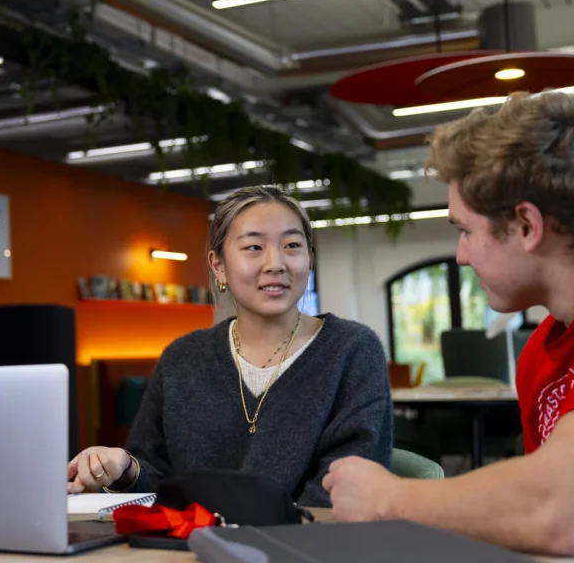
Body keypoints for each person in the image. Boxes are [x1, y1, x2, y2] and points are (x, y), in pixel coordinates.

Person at [323, 92, 574, 554]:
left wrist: (388, 498)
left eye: (465, 230)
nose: (461, 256)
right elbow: (533, 521)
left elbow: (561, 515)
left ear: (527, 225)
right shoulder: (540, 356)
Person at [68, 185, 393, 506]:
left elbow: (345, 488)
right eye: (253, 247)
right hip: (190, 550)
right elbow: (159, 482)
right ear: (219, 265)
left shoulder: (352, 351)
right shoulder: (182, 358)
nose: (275, 263)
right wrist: (125, 469)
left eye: (293, 245)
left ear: (309, 259)